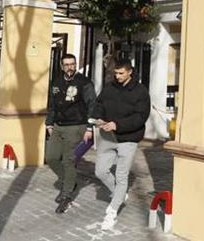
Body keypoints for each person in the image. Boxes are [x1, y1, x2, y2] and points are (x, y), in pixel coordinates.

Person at [93, 58, 150, 230]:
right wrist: (98, 117)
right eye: (115, 73)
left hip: (129, 138)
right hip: (107, 137)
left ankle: (112, 210)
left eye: (121, 73)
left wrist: (118, 125)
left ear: (130, 72)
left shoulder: (140, 91)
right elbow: (99, 104)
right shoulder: (109, 87)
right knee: (100, 171)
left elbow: (140, 117)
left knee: (121, 175)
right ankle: (120, 193)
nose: (117, 76)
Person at [45, 53, 96, 214]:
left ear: (76, 65)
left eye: (72, 64)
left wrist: (89, 127)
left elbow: (92, 105)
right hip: (58, 126)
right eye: (66, 64)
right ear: (62, 66)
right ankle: (70, 180)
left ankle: (67, 194)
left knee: (69, 161)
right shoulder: (57, 82)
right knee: (51, 158)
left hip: (76, 126)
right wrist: (48, 123)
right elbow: (52, 105)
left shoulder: (84, 82)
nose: (69, 67)